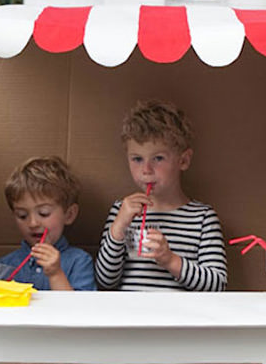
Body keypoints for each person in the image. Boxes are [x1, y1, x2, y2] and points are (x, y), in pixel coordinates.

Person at [95, 100, 227, 291]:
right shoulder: (121, 211)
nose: (146, 170)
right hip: (129, 318)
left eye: (158, 158)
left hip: (179, 319)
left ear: (183, 160)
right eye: (137, 159)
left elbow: (218, 285)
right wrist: (118, 228)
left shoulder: (203, 218)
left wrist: (170, 260)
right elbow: (105, 281)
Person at [0, 156, 95, 291]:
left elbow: (79, 310)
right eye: (22, 215)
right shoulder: (5, 264)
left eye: (44, 213)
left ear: (69, 214)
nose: (33, 223)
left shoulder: (79, 261)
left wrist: (56, 274)